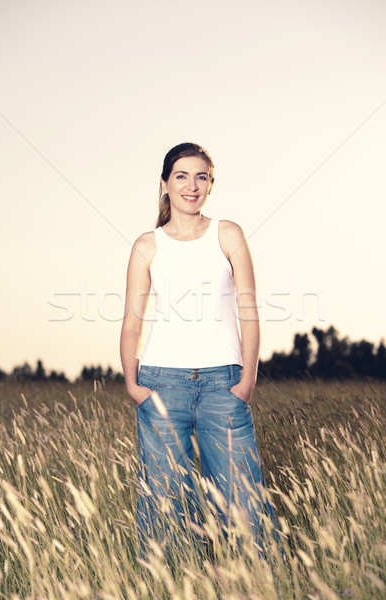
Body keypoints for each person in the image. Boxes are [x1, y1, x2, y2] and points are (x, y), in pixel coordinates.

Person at [120, 142, 279, 561]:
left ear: (210, 183)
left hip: (223, 383)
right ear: (165, 184)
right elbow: (132, 321)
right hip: (160, 383)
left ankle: (256, 583)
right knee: (164, 499)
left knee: (241, 499)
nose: (192, 186)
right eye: (182, 176)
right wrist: (133, 385)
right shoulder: (146, 245)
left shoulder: (228, 233)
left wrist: (247, 381)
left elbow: (248, 311)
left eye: (201, 176)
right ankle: (170, 583)